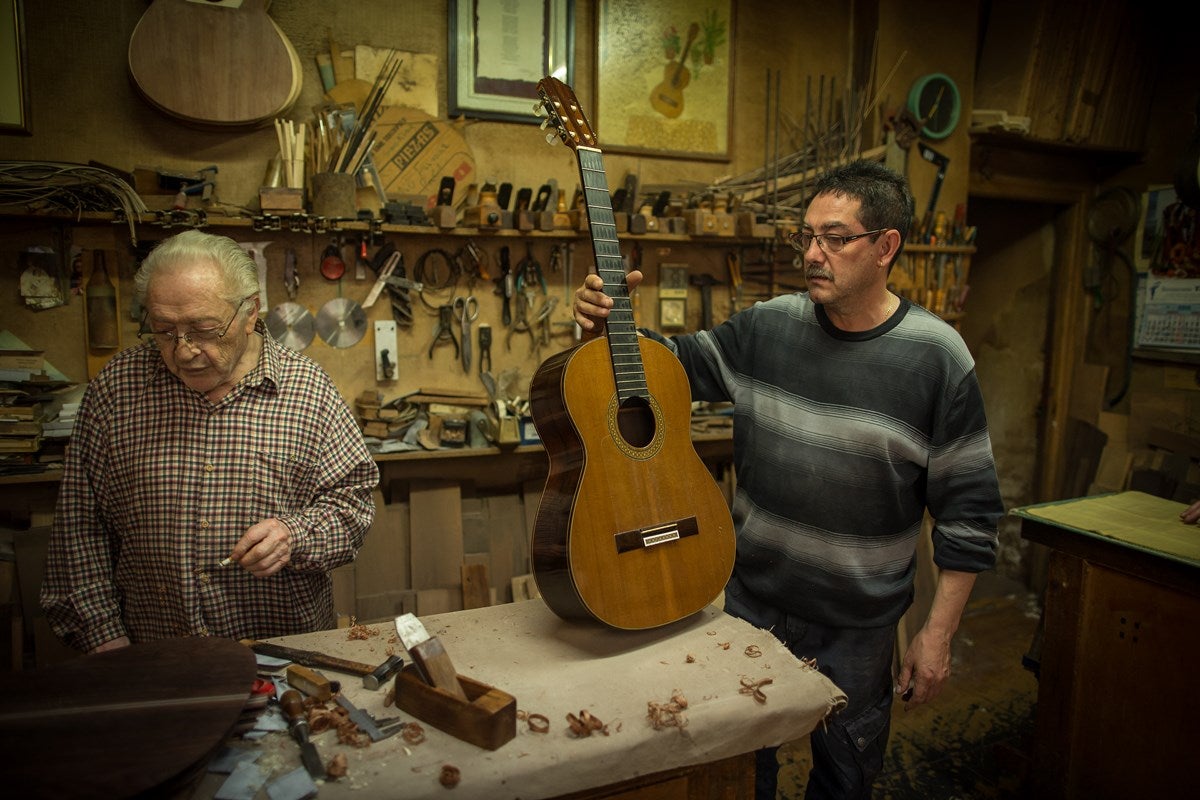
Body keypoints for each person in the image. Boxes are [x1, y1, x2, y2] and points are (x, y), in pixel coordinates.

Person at [573, 159, 1004, 800]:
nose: (813, 253)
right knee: (744, 775)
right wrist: (606, 325)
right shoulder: (767, 327)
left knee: (844, 778)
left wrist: (936, 637)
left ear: (886, 246)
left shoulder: (938, 358)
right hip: (754, 605)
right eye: (805, 237)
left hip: (857, 626)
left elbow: (969, 514)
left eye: (835, 238)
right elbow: (665, 369)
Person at [41, 229, 379, 654]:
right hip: (149, 658)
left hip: (281, 657)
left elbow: (353, 508)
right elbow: (79, 530)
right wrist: (106, 642)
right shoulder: (118, 389)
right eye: (164, 331)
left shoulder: (308, 390)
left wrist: (295, 535)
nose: (183, 352)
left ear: (251, 311)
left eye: (204, 329)